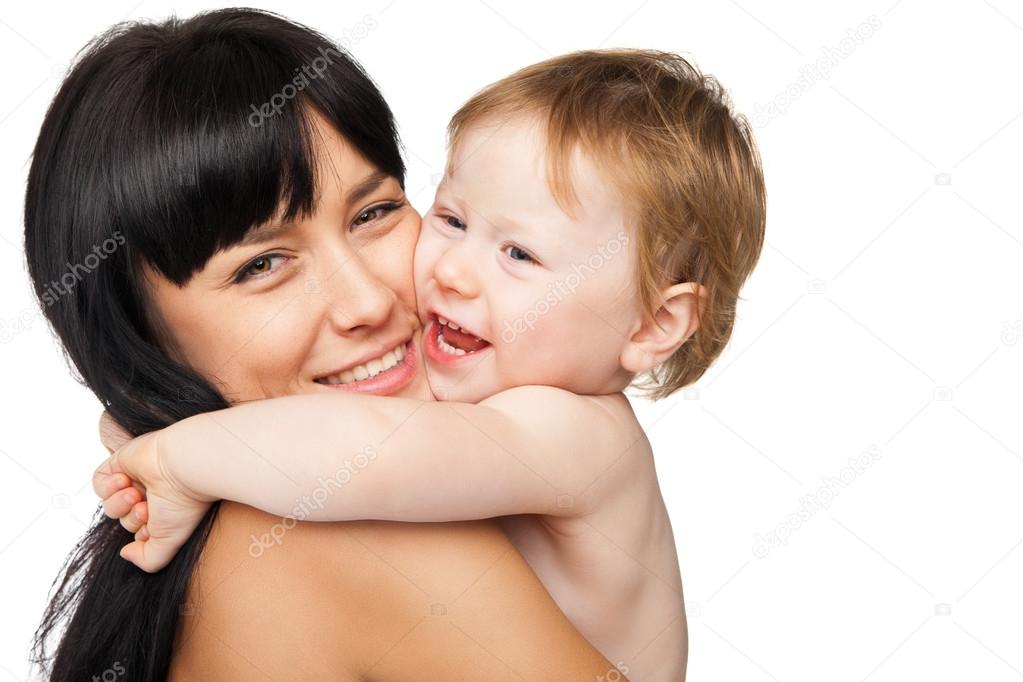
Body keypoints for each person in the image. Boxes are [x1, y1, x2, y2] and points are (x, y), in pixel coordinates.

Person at [95, 49, 766, 681]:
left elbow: (359, 454)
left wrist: (174, 454)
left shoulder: (571, 431)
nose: (454, 273)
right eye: (450, 219)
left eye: (519, 256)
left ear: (654, 324)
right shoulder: (473, 414)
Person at [24, 9, 625, 680]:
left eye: (373, 214)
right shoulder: (347, 533)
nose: (367, 303)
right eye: (260, 266)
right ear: (138, 344)